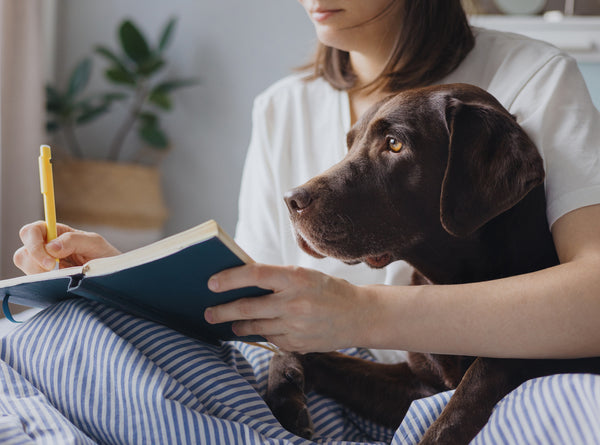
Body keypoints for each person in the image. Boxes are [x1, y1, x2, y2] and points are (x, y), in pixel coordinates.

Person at [11, 0, 600, 443]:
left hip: (455, 385)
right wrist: (126, 276)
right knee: (57, 330)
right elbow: (256, 308)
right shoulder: (281, 106)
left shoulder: (531, 77)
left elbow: (592, 296)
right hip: (324, 377)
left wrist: (360, 313)